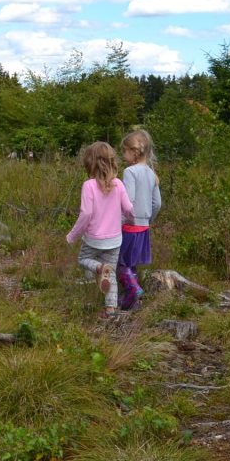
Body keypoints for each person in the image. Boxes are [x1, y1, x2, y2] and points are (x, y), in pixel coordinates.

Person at [66, 142, 135, 319]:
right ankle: (111, 310)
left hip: (93, 239)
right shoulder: (118, 184)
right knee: (110, 274)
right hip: (114, 240)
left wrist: (73, 235)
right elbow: (128, 208)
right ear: (111, 162)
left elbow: (86, 214)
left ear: (90, 163)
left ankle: (98, 267)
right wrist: (131, 220)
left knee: (83, 259)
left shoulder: (88, 185)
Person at [117, 130, 162, 310]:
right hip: (144, 227)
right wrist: (147, 220)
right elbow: (157, 203)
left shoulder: (129, 172)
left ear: (134, 152)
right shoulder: (152, 174)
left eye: (125, 151)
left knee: (121, 263)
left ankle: (134, 290)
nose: (123, 155)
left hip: (129, 226)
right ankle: (132, 302)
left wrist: (120, 222)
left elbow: (128, 202)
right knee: (132, 264)